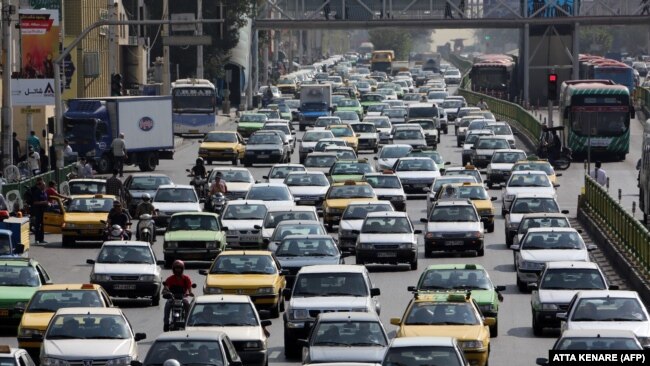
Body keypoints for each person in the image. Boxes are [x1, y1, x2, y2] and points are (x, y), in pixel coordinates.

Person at [162, 260, 194, 332]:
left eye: (179, 268)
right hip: (172, 298)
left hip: (183, 298)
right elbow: (165, 288)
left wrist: (190, 293)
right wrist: (165, 292)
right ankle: (166, 323)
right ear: (173, 269)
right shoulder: (170, 279)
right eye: (176, 268)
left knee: (188, 305)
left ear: (182, 269)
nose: (178, 270)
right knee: (167, 305)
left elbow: (189, 288)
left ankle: (187, 323)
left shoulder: (186, 279)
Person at [30, 178, 49, 245]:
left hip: (44, 211)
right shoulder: (37, 192)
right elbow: (35, 202)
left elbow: (47, 200)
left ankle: (42, 239)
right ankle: (36, 239)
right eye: (43, 185)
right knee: (37, 225)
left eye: (45, 185)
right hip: (38, 211)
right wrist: (43, 202)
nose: (44, 186)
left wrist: (47, 203)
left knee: (43, 225)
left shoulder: (44, 192)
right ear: (40, 186)